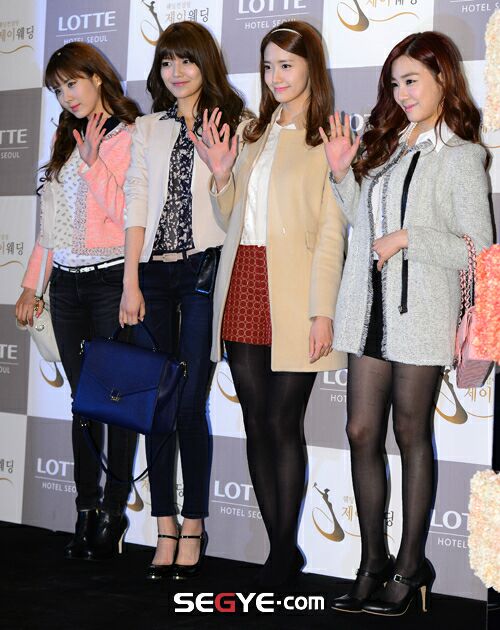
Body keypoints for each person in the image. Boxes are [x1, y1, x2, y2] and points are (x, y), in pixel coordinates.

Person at [321, 31, 493, 615]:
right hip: (367, 310)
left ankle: (411, 564)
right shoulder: (388, 144)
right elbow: (364, 227)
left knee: (411, 434)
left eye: (412, 80)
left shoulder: (462, 156)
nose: (402, 92)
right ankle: (372, 561)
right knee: (360, 432)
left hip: (420, 314)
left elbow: (479, 251)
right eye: (395, 83)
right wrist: (342, 176)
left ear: (443, 78)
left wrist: (409, 238)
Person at [191, 20, 347, 587]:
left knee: (284, 421)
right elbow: (231, 216)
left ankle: (283, 552)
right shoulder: (251, 131)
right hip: (244, 281)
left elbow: (333, 233)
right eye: (267, 65)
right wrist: (222, 176)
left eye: (286, 65)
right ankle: (280, 549)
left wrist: (322, 310)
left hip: (295, 292)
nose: (275, 76)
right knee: (256, 422)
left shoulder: (328, 136)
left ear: (310, 68)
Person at [119, 21, 245, 581]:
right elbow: (136, 204)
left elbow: (234, 208)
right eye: (167, 61)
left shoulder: (234, 123)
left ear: (205, 63)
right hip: (151, 273)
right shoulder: (146, 128)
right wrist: (130, 281)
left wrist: (221, 170)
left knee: (190, 403)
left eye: (187, 60)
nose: (176, 71)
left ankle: (194, 525)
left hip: (203, 271)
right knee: (158, 403)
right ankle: (163, 525)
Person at [15, 42, 140, 560]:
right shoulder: (64, 137)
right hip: (65, 287)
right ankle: (85, 510)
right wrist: (32, 283)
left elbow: (129, 216)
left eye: (72, 83)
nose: (67, 96)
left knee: (115, 402)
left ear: (97, 77)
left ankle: (113, 512)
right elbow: (52, 225)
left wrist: (92, 166)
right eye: (58, 89)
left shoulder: (128, 135)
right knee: (82, 403)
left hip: (110, 282)